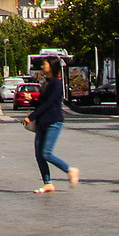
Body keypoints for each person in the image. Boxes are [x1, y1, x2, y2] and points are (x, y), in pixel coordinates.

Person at [25, 53, 79, 193]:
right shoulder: (45, 83)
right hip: (42, 122)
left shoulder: (56, 84)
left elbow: (49, 104)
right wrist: (31, 100)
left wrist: (31, 117)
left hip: (53, 122)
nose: (42, 66)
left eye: (45, 64)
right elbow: (41, 104)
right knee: (39, 154)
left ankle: (70, 170)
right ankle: (48, 183)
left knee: (46, 153)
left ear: (52, 67)